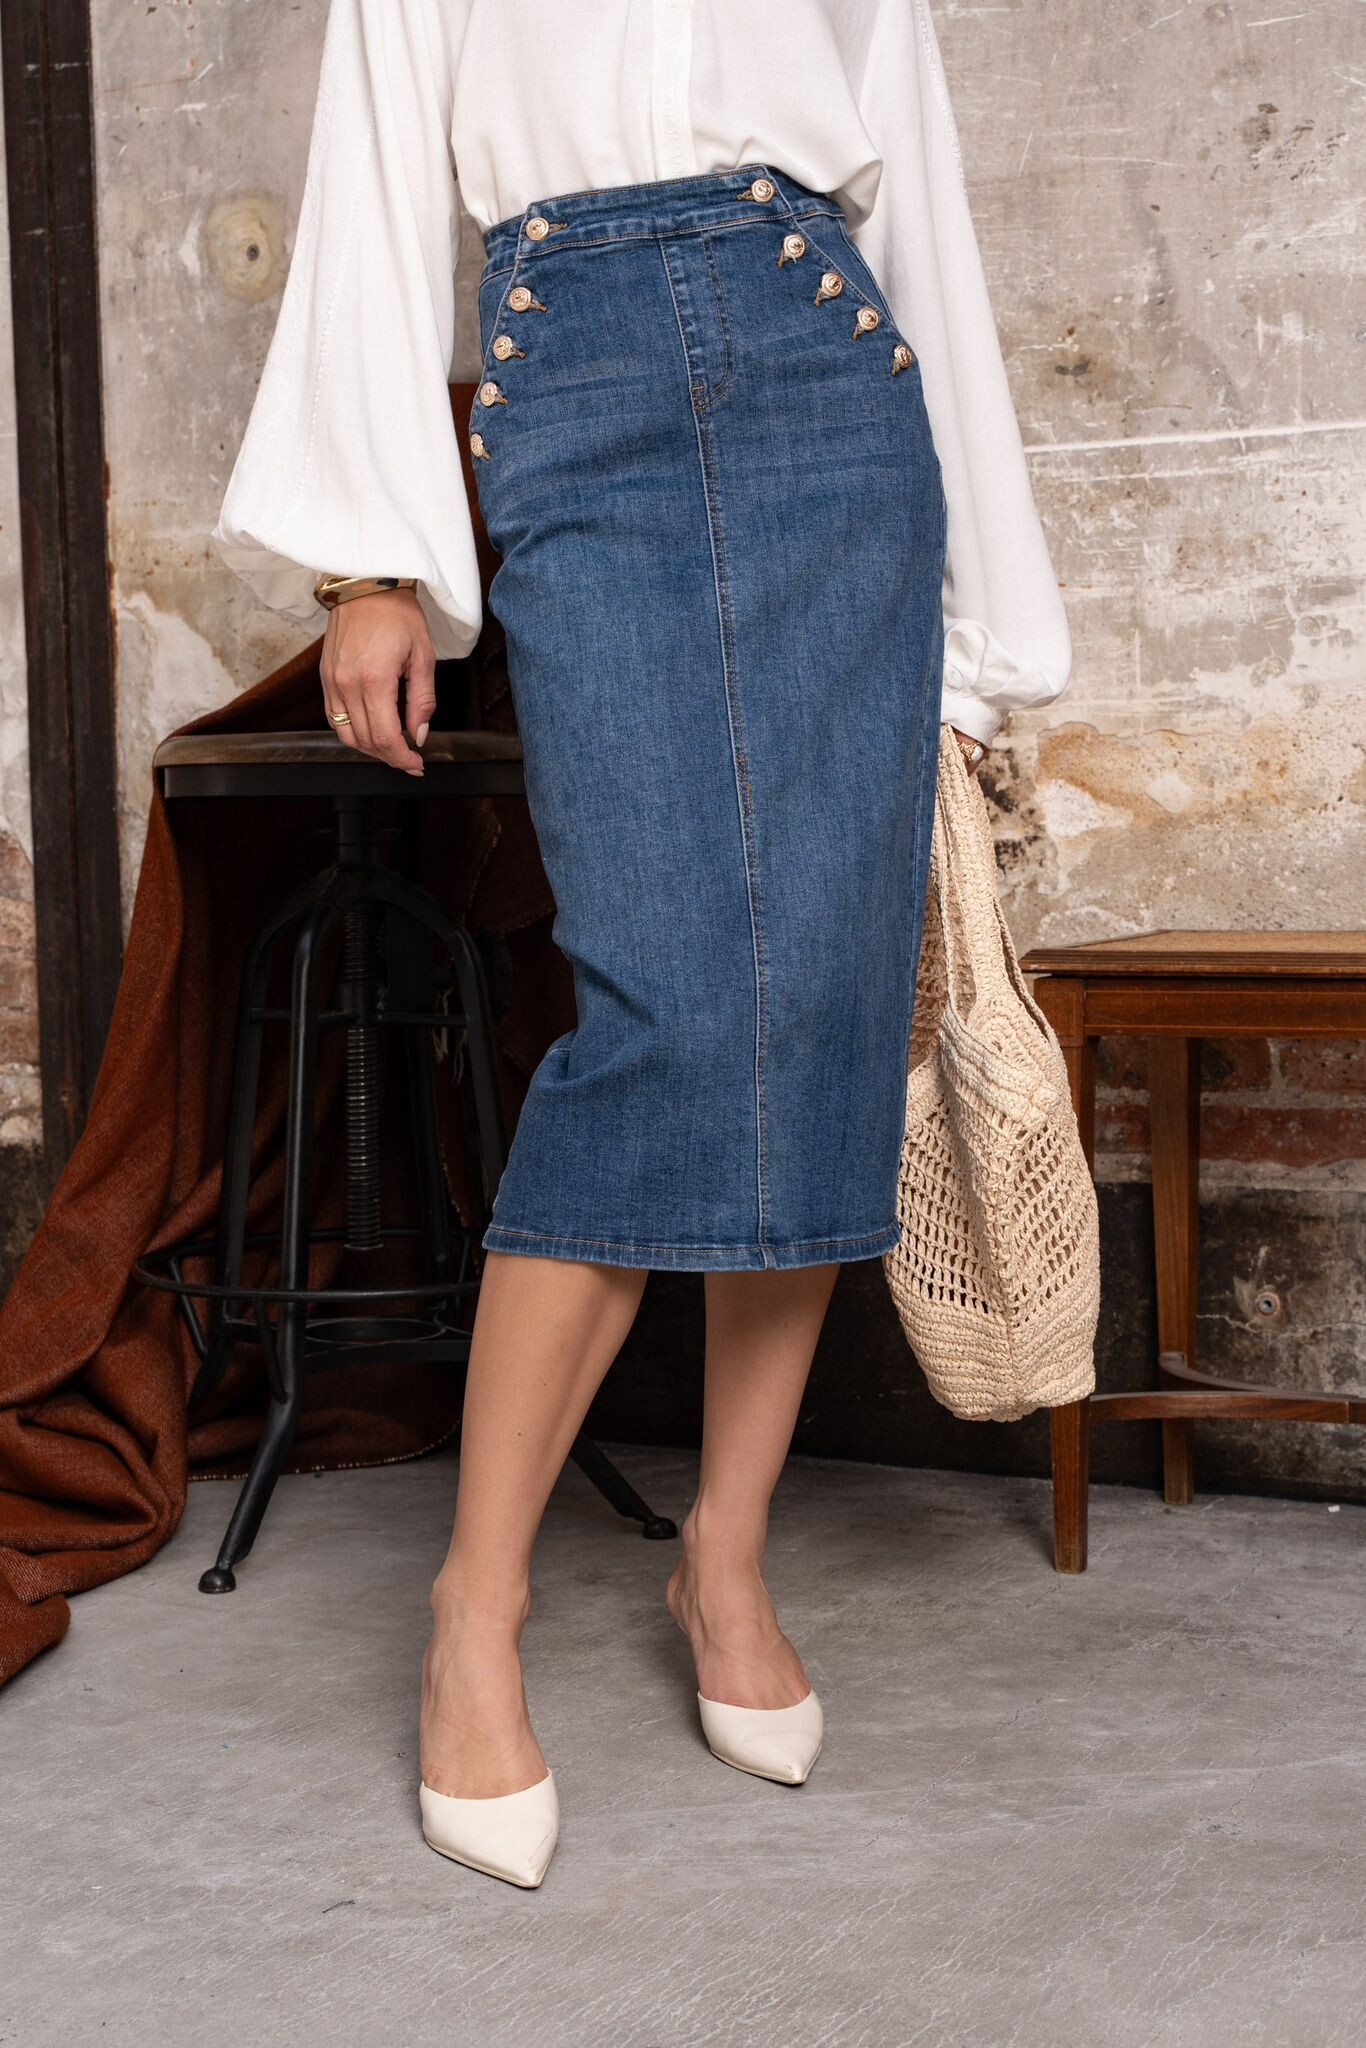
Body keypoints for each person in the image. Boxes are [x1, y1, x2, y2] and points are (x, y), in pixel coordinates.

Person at [213, 0, 1071, 1890]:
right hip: (574, 383)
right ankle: (473, 1608)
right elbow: (374, 170)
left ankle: (725, 1560)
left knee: (822, 1005)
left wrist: (979, 643)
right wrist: (372, 566)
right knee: (661, 1018)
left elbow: (915, 197)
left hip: (826, 379)